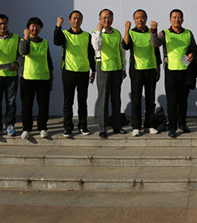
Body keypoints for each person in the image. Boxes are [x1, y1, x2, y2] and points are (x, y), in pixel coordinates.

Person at [150, 9, 197, 138]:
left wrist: (192, 54)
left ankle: (182, 124)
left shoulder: (188, 33)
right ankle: (172, 127)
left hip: (185, 71)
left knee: (183, 101)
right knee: (172, 102)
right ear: (170, 20)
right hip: (171, 71)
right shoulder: (165, 33)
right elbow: (155, 43)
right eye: (174, 17)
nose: (177, 19)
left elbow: (193, 48)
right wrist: (153, 30)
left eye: (179, 17)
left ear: (183, 19)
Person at [54, 10, 96, 138]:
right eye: (74, 18)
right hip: (69, 71)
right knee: (68, 101)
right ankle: (68, 127)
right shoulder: (65, 34)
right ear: (70, 20)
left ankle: (83, 126)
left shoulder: (87, 36)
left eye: (79, 18)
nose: (76, 20)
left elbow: (91, 54)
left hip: (83, 72)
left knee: (82, 101)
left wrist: (94, 70)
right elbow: (57, 41)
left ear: (82, 20)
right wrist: (58, 26)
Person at [122, 9, 162, 136]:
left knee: (150, 99)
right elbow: (125, 46)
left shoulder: (151, 32)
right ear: (134, 20)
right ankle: (136, 127)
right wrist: (126, 29)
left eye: (142, 17)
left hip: (151, 68)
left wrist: (158, 69)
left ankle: (150, 125)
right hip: (136, 70)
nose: (140, 20)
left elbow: (157, 51)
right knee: (136, 99)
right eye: (137, 18)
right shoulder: (131, 32)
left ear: (146, 18)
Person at [92, 9, 127, 139]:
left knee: (116, 99)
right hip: (103, 68)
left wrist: (123, 68)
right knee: (103, 100)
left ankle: (117, 126)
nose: (107, 20)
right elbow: (97, 47)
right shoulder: (95, 33)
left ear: (113, 18)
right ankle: (103, 128)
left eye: (109, 17)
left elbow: (122, 51)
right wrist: (99, 32)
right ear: (100, 19)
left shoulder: (117, 33)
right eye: (104, 17)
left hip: (116, 69)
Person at [19, 17, 54, 140]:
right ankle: (26, 128)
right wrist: (26, 37)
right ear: (28, 27)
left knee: (43, 105)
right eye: (33, 26)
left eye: (38, 26)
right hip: (27, 77)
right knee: (26, 105)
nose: (35, 28)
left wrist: (51, 72)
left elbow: (48, 59)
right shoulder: (23, 41)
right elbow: (24, 51)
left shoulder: (45, 42)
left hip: (43, 77)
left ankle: (42, 127)